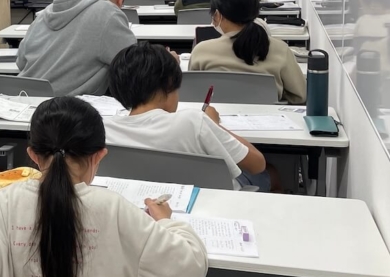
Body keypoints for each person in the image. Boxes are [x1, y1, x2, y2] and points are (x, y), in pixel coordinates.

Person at [0, 97, 207, 277]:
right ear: (99, 155)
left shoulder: (6, 201)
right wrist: (166, 222)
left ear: (32, 155)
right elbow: (184, 268)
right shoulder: (114, 208)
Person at [105, 42, 270, 191]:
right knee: (269, 174)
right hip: (214, 205)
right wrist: (214, 124)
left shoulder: (105, 129)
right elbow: (257, 164)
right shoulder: (193, 122)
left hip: (148, 205)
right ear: (170, 83)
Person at [16, 0, 136, 96]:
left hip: (20, 99)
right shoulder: (110, 15)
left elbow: (21, 63)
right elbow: (134, 67)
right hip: (62, 106)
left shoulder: (44, 13)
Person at [189, 0, 307, 104]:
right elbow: (300, 96)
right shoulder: (280, 50)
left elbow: (191, 94)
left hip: (215, 116)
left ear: (217, 15)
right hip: (268, 116)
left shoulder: (201, 51)